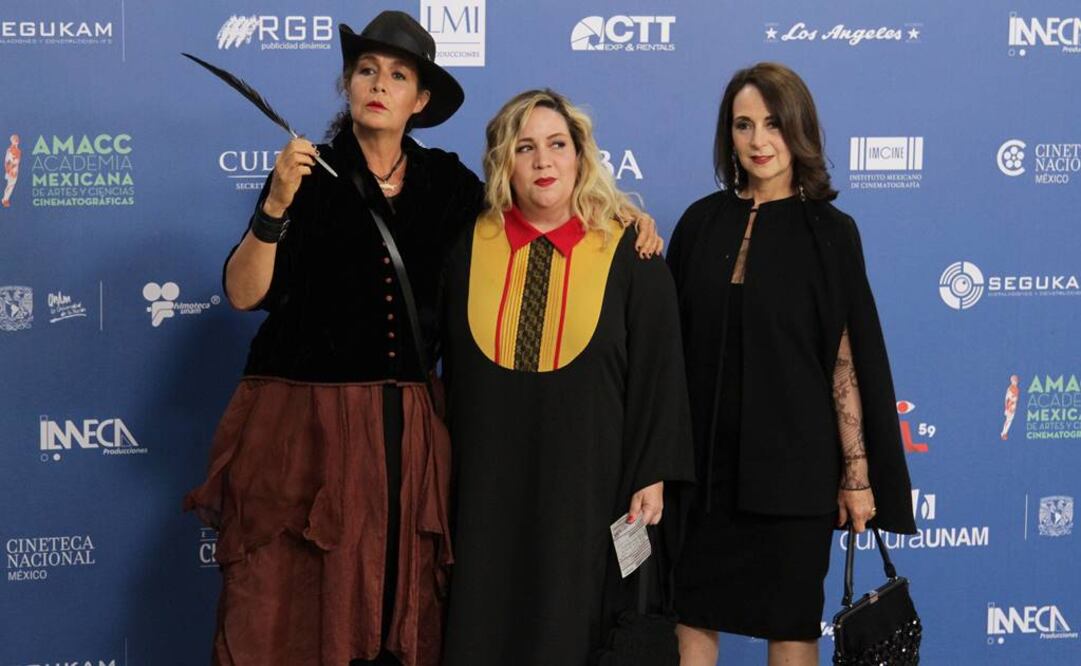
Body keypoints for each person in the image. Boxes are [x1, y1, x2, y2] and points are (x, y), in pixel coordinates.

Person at [184, 12, 661, 666]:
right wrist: (273, 208)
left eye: (398, 75)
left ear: (421, 100)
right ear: (348, 86)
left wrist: (616, 209)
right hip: (308, 421)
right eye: (366, 71)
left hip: (404, 429)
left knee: (391, 605)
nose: (379, 84)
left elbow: (534, 211)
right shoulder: (305, 174)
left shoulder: (449, 186)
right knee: (294, 603)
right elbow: (242, 293)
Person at [666, 63, 917, 666]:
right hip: (701, 471)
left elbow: (845, 360)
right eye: (743, 125)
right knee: (689, 614)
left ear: (799, 129)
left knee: (792, 625)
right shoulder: (700, 223)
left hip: (795, 472)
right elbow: (664, 345)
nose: (758, 141)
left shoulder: (831, 232)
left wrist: (857, 475)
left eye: (773, 123)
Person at [440, 88, 695, 666]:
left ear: (582, 156)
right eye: (524, 147)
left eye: (557, 145)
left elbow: (660, 373)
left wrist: (651, 473)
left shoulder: (631, 251)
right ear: (504, 162)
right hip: (486, 493)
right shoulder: (466, 247)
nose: (542, 161)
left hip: (590, 491)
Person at [2, 134, 20, 207]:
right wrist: (9, 170)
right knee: (10, 185)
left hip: (15, 170)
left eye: (17, 140)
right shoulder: (10, 150)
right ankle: (5, 199)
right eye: (14, 140)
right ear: (12, 141)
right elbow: (7, 161)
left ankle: (5, 199)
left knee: (11, 185)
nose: (16, 141)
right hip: (11, 170)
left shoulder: (17, 150)